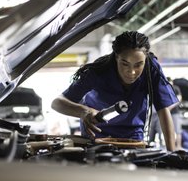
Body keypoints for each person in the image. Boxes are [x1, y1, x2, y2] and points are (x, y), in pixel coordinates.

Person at [51, 31, 179, 151]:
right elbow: (57, 103)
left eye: (138, 64)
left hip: (133, 137)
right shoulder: (98, 71)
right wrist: (83, 112)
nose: (132, 72)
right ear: (116, 57)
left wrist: (172, 153)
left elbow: (163, 109)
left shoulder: (151, 68)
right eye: (125, 63)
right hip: (97, 136)